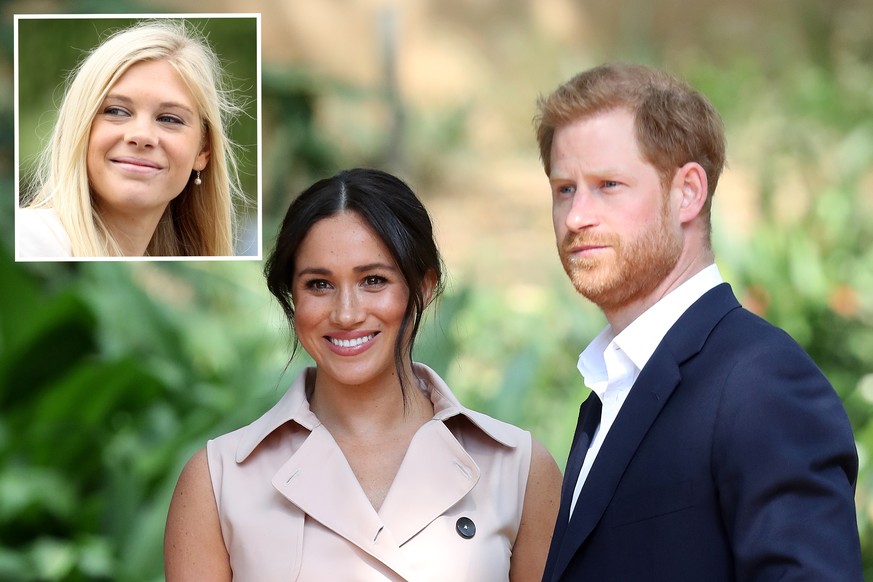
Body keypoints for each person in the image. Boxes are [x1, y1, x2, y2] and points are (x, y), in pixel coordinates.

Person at [534, 63, 862, 580]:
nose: (576, 217)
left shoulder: (762, 383)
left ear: (687, 192)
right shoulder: (612, 388)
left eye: (608, 184)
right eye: (564, 190)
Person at [164, 168, 563, 581]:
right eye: (319, 284)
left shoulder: (519, 469)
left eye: (374, 280)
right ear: (292, 297)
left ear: (423, 287)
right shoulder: (218, 480)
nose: (347, 314)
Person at [16, 19, 246, 258]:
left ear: (203, 152)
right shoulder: (30, 240)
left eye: (170, 119)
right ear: (78, 128)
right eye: (116, 111)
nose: (142, 136)